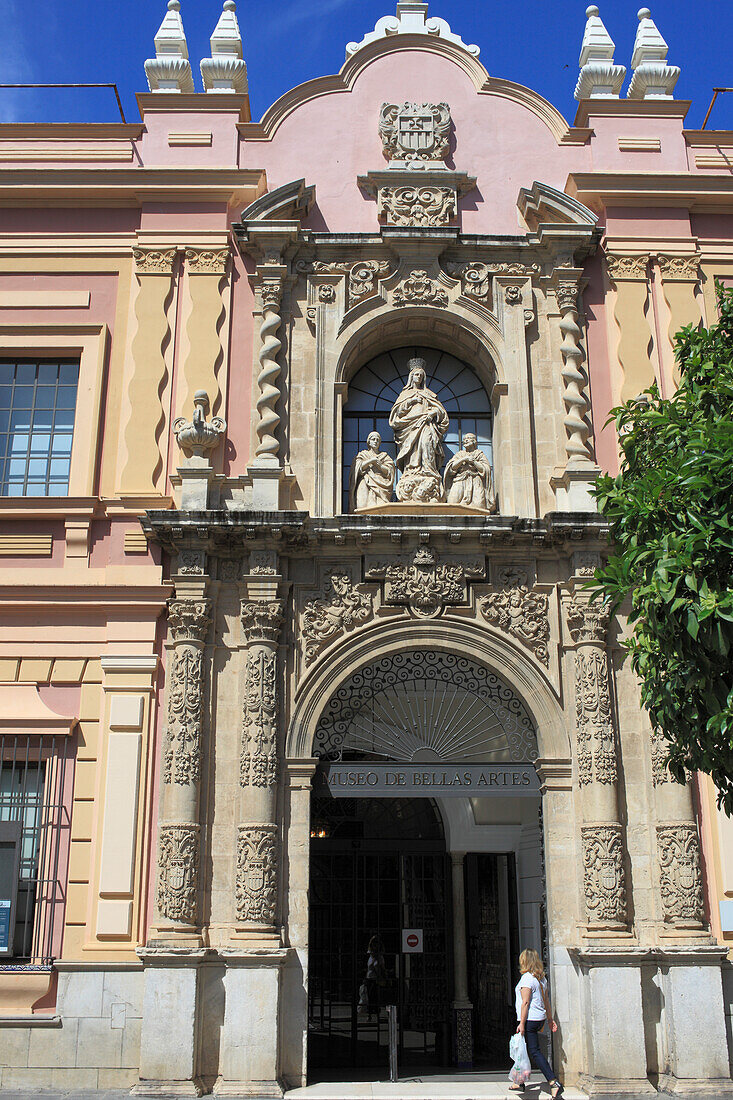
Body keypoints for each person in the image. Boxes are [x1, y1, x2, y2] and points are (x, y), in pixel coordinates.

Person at [388, 359, 449, 502]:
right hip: (410, 427)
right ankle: (412, 470)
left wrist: (432, 413)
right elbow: (397, 415)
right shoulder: (405, 395)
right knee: (412, 451)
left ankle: (428, 471)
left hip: (427, 425)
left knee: (427, 445)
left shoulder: (429, 394)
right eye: (416, 375)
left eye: (421, 376)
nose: (419, 378)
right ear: (411, 377)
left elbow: (441, 412)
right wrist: (410, 401)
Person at [512, 948, 563, 1098]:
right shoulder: (541, 979)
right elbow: (546, 1001)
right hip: (538, 1018)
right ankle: (519, 1081)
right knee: (521, 1049)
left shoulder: (527, 978)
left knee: (534, 1051)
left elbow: (525, 1002)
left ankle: (553, 1081)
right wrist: (549, 1019)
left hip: (529, 1019)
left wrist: (521, 1023)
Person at [443, 432, 495, 510]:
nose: (466, 440)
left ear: (474, 441)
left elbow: (485, 469)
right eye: (464, 439)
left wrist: (474, 462)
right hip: (460, 480)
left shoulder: (479, 454)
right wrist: (464, 459)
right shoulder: (459, 454)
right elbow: (452, 467)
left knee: (479, 506)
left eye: (468, 438)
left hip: (475, 481)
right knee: (452, 503)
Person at [348, 431, 395, 510]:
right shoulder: (363, 454)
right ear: (368, 442)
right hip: (365, 482)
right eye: (373, 439)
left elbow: (389, 471)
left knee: (381, 509)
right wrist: (371, 461)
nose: (375, 441)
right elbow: (357, 467)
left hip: (381, 485)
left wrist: (379, 466)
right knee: (361, 508)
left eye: (378, 440)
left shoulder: (384, 456)